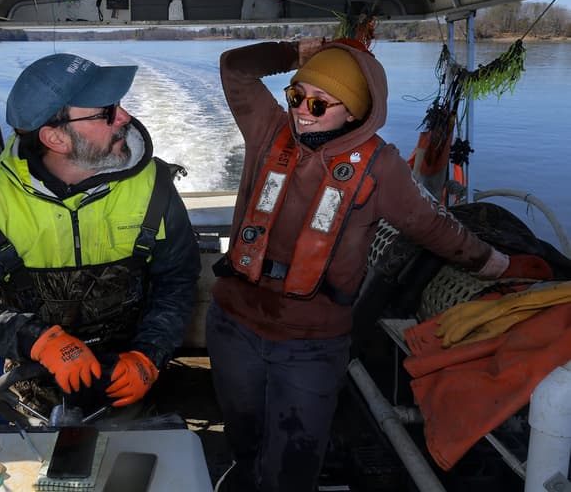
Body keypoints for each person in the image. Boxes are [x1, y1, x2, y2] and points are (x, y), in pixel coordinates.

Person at [209, 38, 552, 492]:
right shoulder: (268, 130)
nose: (301, 110)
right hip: (235, 323)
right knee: (243, 435)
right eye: (296, 96)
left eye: (318, 102)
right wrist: (296, 53)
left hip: (311, 343)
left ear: (354, 112)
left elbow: (432, 226)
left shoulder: (381, 166)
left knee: (294, 461)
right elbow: (235, 68)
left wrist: (493, 264)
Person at [0, 53, 201, 419]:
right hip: (33, 378)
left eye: (119, 106)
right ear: (55, 138)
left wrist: (149, 355)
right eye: (106, 111)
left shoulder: (154, 186)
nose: (124, 117)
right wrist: (40, 341)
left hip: (130, 370)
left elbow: (178, 278)